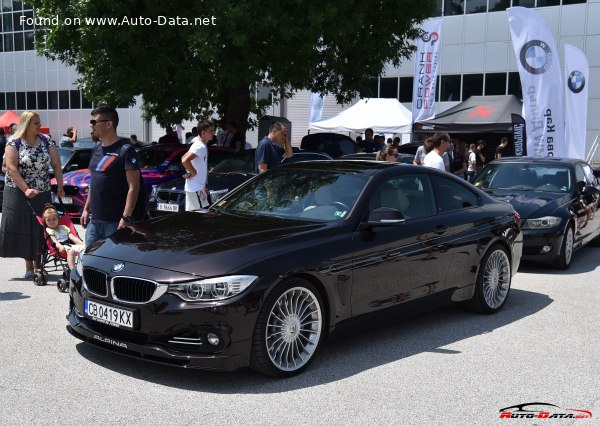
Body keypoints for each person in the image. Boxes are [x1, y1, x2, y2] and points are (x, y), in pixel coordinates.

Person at [0, 111, 64, 279]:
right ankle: (29, 265)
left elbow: (57, 164)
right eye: (36, 123)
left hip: (42, 190)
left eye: (39, 122)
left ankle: (38, 264)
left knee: (41, 227)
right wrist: (26, 189)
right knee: (23, 227)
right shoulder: (13, 142)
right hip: (18, 191)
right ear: (26, 124)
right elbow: (11, 168)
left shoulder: (46, 140)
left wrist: (60, 185)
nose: (39, 126)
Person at [81, 106, 141, 246]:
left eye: (94, 122)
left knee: (115, 265)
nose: (91, 125)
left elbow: (134, 186)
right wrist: (86, 209)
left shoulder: (126, 150)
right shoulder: (96, 148)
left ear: (109, 124)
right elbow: (94, 182)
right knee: (90, 263)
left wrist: (126, 217)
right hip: (94, 221)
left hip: (115, 222)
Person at [182, 119, 213, 211]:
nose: (213, 133)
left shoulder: (197, 143)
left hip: (196, 188)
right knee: (199, 219)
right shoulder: (200, 146)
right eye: (211, 131)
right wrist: (193, 172)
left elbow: (183, 157)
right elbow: (184, 160)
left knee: (196, 218)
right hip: (196, 189)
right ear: (203, 133)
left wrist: (191, 172)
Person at [42, 203, 84, 270]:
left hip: (69, 244)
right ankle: (72, 270)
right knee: (71, 251)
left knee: (84, 249)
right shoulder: (49, 230)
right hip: (60, 247)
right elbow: (54, 241)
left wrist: (82, 244)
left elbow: (72, 237)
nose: (51, 221)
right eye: (48, 220)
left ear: (58, 219)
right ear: (45, 222)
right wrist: (60, 246)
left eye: (54, 219)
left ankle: (85, 268)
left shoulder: (64, 227)